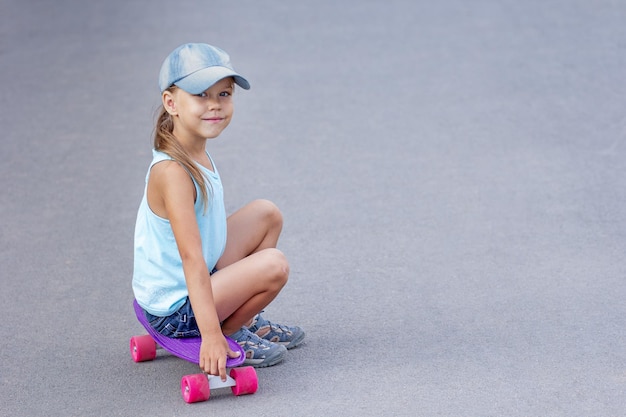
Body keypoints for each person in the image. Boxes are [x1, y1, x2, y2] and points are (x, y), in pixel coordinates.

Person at [132, 43, 304, 381]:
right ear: (172, 103)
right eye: (201, 94)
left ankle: (247, 319)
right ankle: (230, 330)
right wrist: (211, 337)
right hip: (175, 311)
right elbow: (191, 257)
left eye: (224, 94)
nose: (215, 105)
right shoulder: (173, 172)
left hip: (191, 285)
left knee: (266, 214)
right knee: (275, 265)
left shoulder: (192, 150)